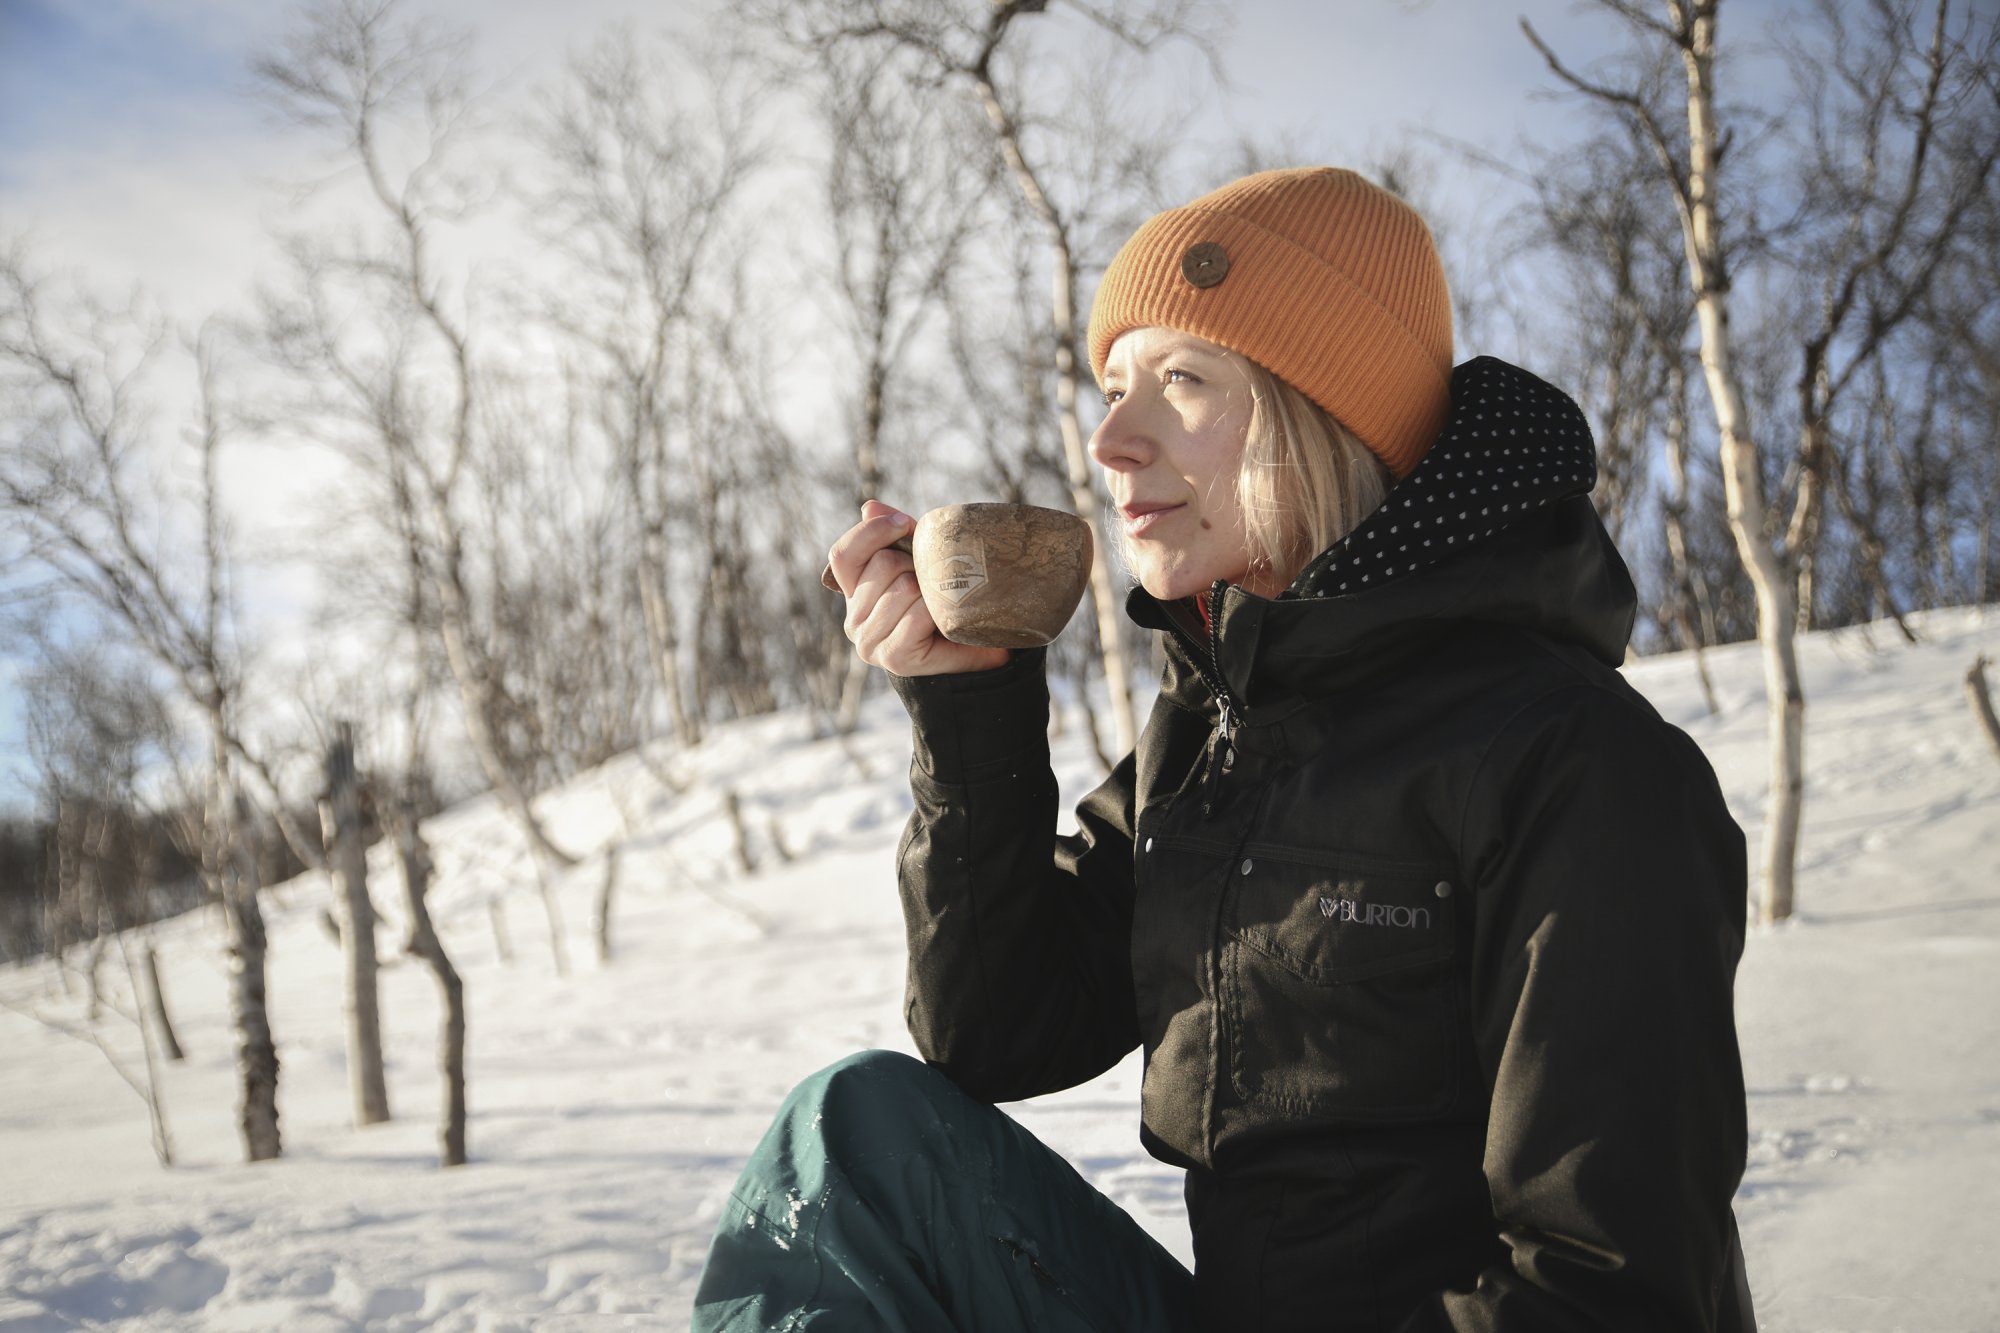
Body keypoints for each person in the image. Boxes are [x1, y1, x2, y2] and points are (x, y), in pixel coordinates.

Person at [692, 166, 1757, 1332]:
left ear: (1328, 414)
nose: (1110, 439)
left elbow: (1610, 1284)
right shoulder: (1210, 737)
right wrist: (970, 709)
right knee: (860, 1136)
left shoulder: (1574, 765)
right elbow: (996, 1029)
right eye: (1111, 387)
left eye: (1181, 381)